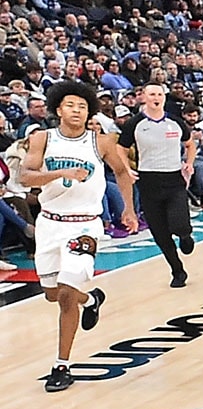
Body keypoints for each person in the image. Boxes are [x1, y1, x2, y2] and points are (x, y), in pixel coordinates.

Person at [18, 80, 137, 390]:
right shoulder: (41, 138)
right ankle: (92, 299)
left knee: (67, 294)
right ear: (58, 109)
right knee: (53, 294)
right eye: (71, 105)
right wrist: (60, 173)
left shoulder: (102, 142)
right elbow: (25, 175)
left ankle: (61, 365)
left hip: (84, 225)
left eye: (83, 106)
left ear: (89, 112)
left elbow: (123, 173)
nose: (77, 110)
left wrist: (128, 209)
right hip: (49, 223)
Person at [128, 82, 198, 288]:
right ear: (144, 97)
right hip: (148, 181)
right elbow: (121, 147)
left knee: (180, 223)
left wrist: (189, 163)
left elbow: (190, 143)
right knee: (159, 232)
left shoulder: (175, 122)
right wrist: (127, 168)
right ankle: (177, 271)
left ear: (164, 98)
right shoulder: (136, 123)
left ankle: (185, 235)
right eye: (151, 94)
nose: (155, 97)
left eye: (159, 93)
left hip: (174, 178)